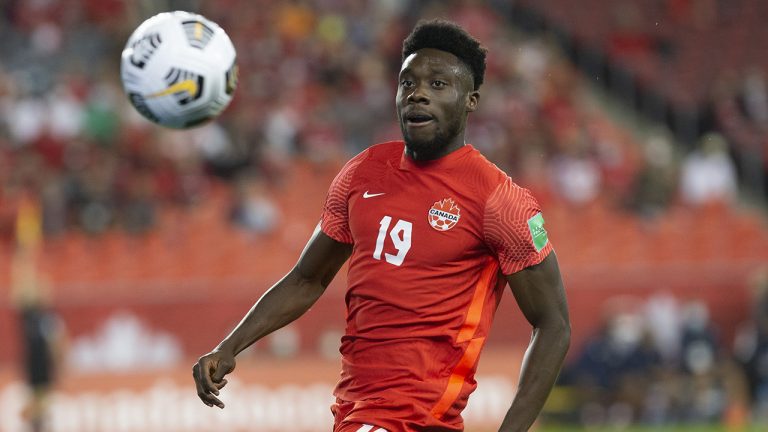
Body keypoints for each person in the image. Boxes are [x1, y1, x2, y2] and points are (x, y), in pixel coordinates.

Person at [193, 19, 571, 432]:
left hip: (410, 417)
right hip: (356, 414)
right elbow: (307, 279)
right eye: (408, 82)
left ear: (471, 100)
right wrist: (229, 347)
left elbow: (553, 325)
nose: (418, 94)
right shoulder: (362, 173)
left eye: (438, 84)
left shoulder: (499, 199)